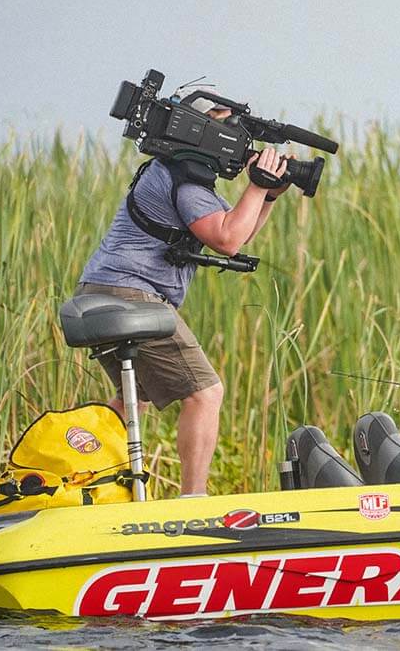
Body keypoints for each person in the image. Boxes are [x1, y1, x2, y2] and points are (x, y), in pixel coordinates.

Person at [77, 86, 291, 496]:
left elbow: (237, 233)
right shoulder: (186, 181)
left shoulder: (175, 171)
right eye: (225, 124)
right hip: (129, 294)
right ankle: (193, 500)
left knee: (131, 403)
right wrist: (258, 185)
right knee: (206, 393)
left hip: (98, 289)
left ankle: (78, 474)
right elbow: (227, 239)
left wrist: (267, 194)